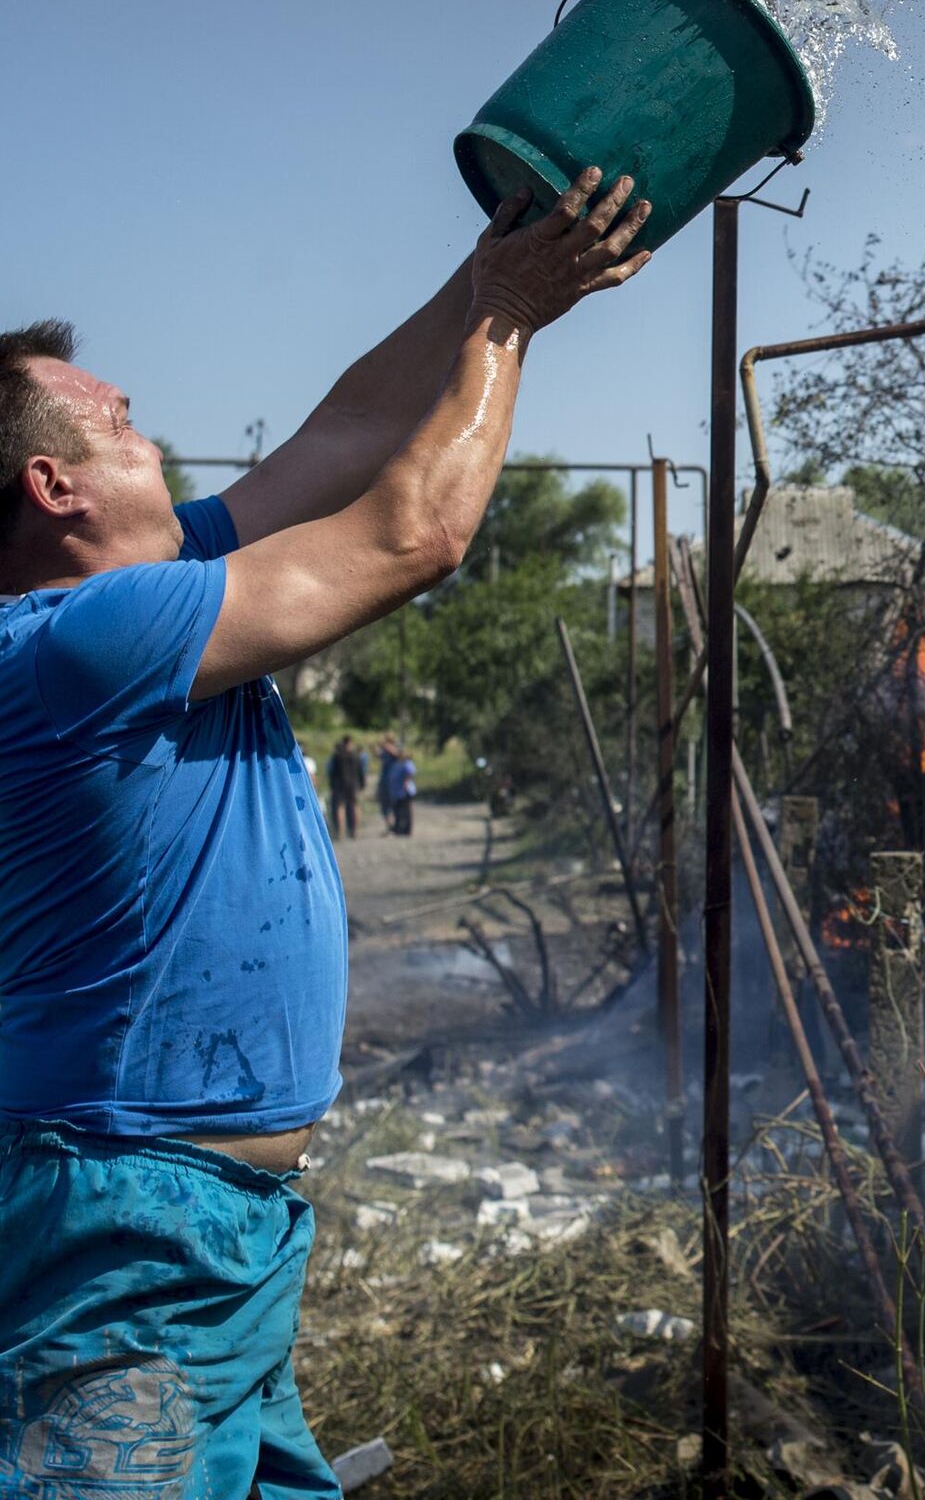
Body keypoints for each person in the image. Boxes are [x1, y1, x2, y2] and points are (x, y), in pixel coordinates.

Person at [0, 167, 650, 1495]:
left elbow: (349, 429)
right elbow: (416, 531)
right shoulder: (78, 642)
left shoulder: (144, 592)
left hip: (209, 1225)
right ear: (52, 485)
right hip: (132, 1225)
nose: (150, 432)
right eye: (120, 425)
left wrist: (493, 274)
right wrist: (513, 323)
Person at [326, 733, 362, 841]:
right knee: (355, 806)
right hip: (353, 783)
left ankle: (340, 832)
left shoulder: (337, 755)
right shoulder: (355, 756)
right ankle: (354, 831)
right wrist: (361, 783)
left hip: (340, 784)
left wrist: (331, 784)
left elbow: (332, 772)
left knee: (340, 807)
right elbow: (360, 771)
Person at [391, 747, 417, 837]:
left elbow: (410, 773)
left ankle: (407, 830)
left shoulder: (407, 763)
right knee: (399, 810)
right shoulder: (398, 763)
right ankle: (400, 828)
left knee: (407, 811)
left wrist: (406, 783)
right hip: (399, 792)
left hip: (406, 790)